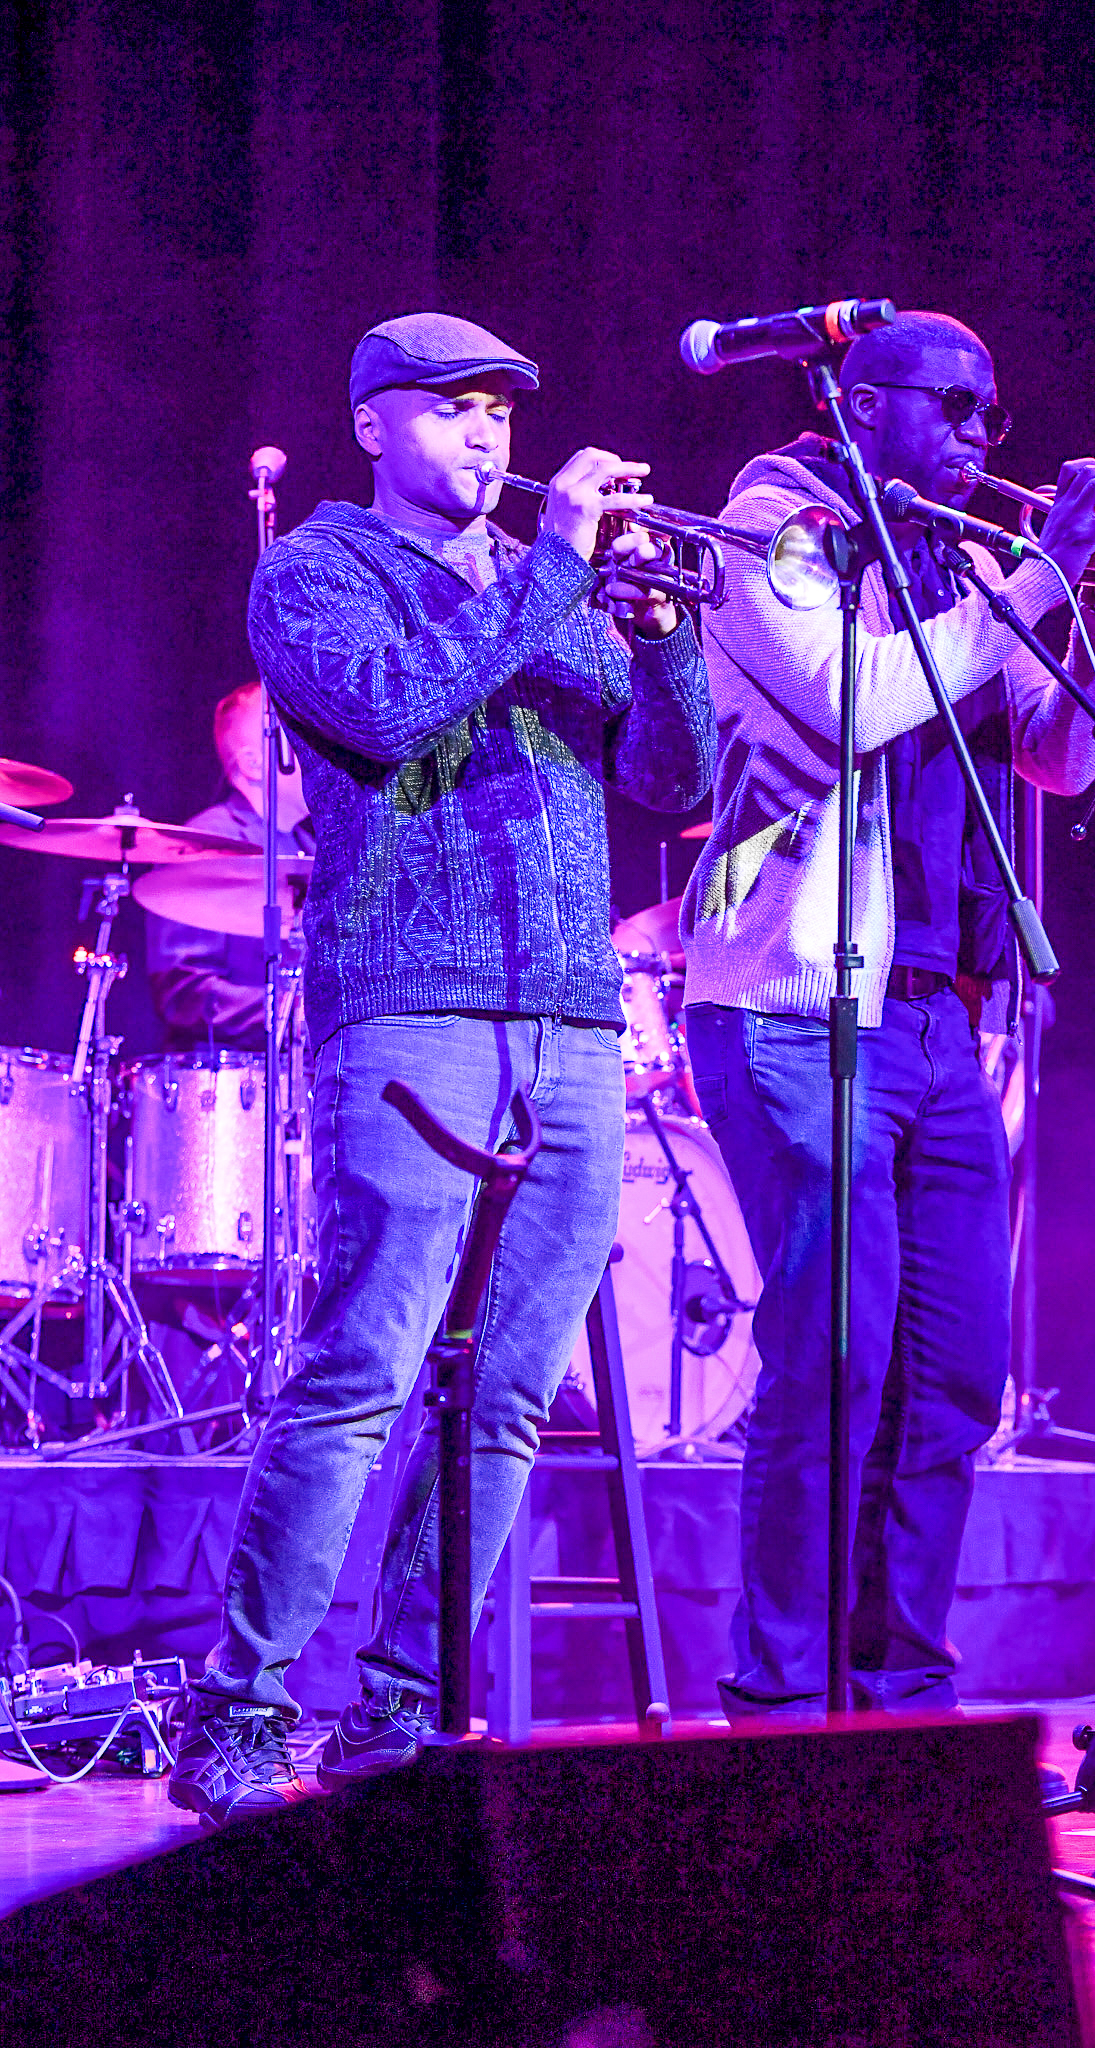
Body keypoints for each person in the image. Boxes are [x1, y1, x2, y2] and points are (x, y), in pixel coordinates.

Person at [168, 311, 715, 1825]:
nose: (488, 433)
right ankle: (240, 1708)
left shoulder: (551, 590)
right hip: (412, 1008)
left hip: (578, 1026)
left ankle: (405, 1711)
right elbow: (390, 705)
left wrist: (659, 637)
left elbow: (677, 785)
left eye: (501, 410)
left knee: (514, 1400)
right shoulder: (319, 571)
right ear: (372, 424)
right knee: (362, 1371)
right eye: (452, 407)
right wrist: (550, 570)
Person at [682, 310, 1095, 1722]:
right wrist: (1039, 572)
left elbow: (1059, 762)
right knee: (834, 1356)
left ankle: (901, 1703)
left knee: (952, 1381)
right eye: (949, 407)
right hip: (796, 1001)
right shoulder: (773, 516)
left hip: (945, 1025)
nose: (978, 438)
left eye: (991, 414)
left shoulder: (957, 560)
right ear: (859, 402)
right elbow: (851, 696)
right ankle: (778, 1701)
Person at [145, 681, 313, 1050]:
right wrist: (294, 1014)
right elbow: (183, 992)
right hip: (226, 1085)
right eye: (297, 735)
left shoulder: (311, 849)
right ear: (254, 763)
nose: (314, 751)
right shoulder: (206, 843)